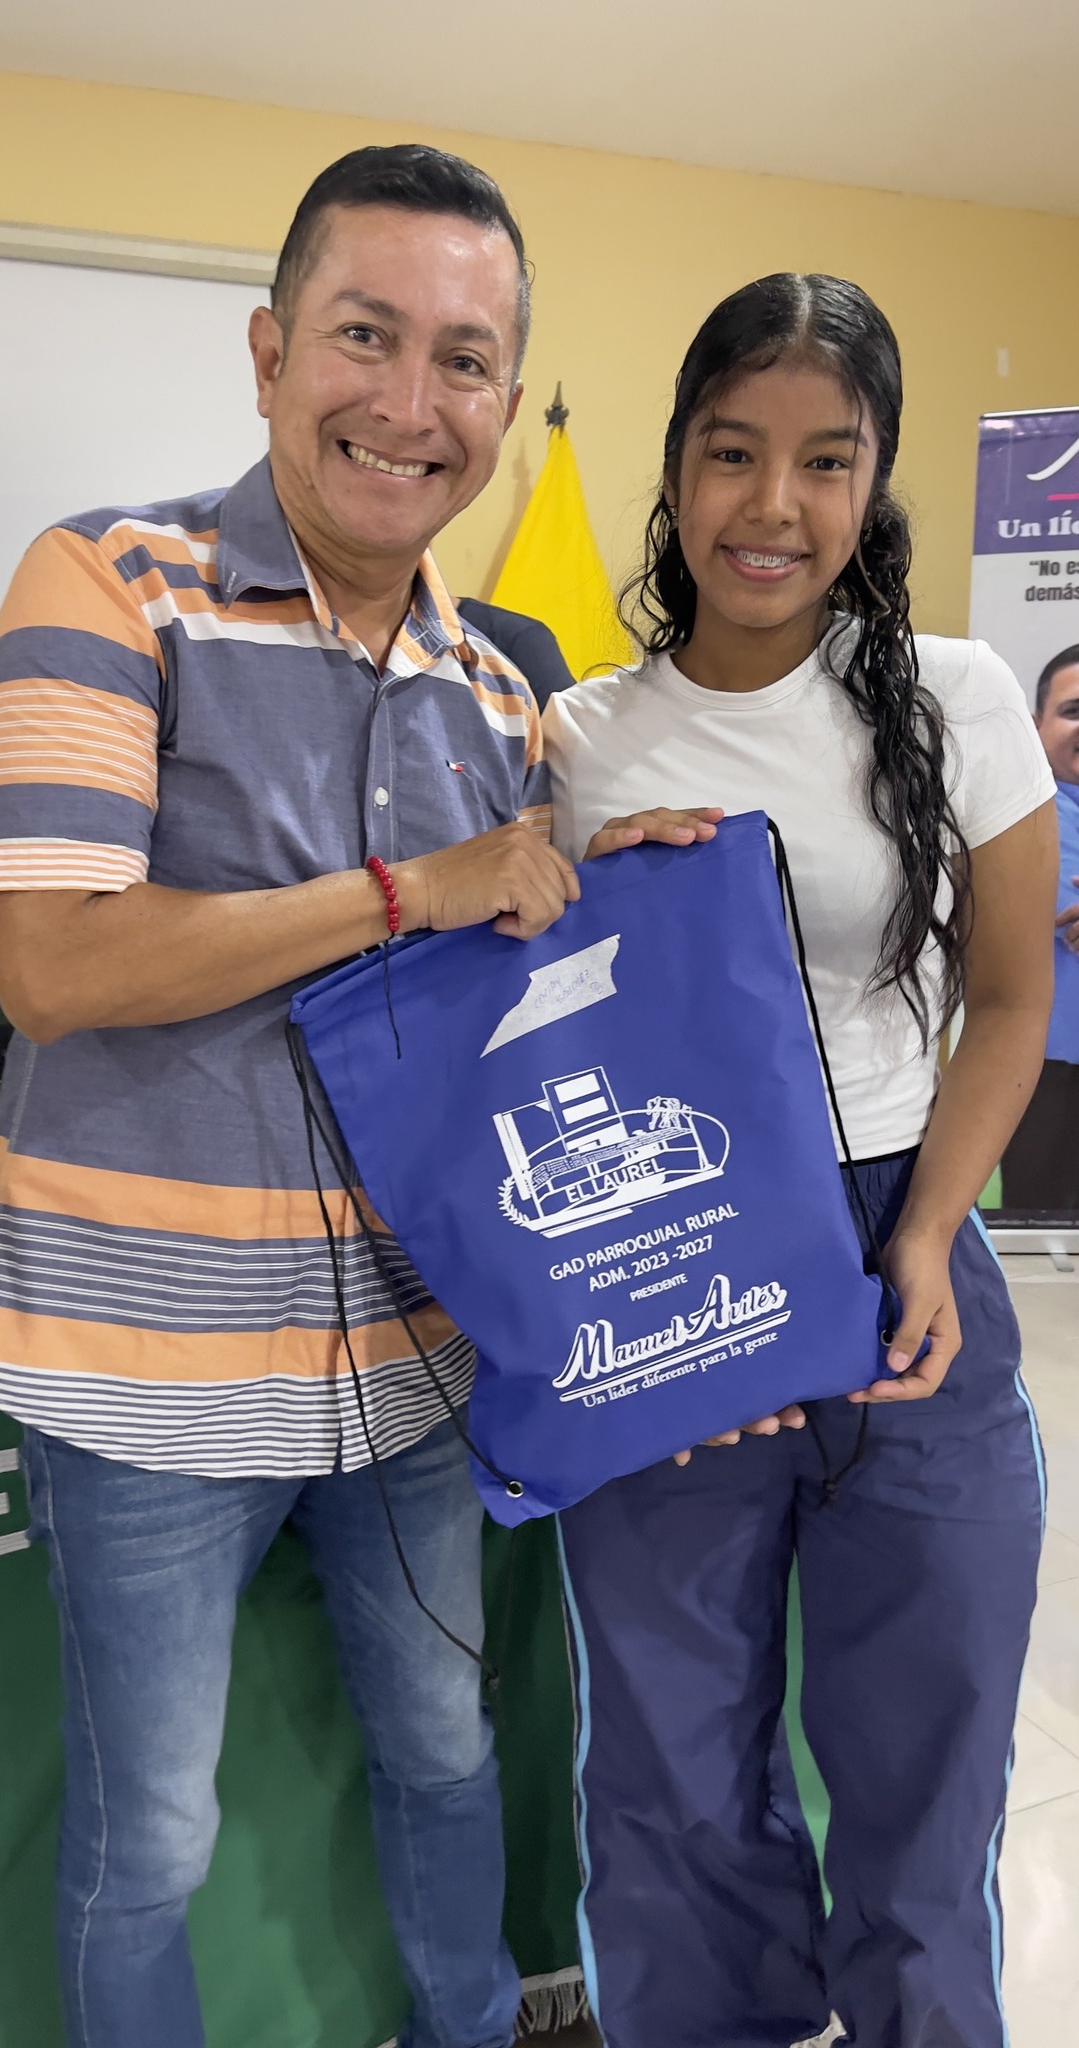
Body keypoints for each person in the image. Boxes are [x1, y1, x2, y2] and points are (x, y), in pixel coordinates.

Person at [0, 144, 581, 2048]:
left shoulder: (503, 693)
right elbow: (56, 964)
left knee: (448, 1751)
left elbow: (525, 1010)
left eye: (465, 358)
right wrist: (404, 890)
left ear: (502, 401)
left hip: (411, 1367)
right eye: (365, 336)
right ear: (270, 349)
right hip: (139, 1374)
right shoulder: (106, 579)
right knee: (152, 1835)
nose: (410, 400)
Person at [543, 273, 1058, 2048]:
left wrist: (924, 1232)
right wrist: (610, 896)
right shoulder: (580, 737)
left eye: (826, 460)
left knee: (929, 1754)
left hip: (907, 1242)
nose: (773, 505)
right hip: (670, 1257)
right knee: (672, 1771)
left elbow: (1010, 997)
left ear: (875, 477)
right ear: (674, 466)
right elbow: (541, 1033)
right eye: (731, 451)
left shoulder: (959, 695)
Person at [1000, 643, 1079, 1211]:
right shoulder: (1004, 815)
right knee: (1041, 1238)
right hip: (1042, 1071)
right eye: (1074, 711)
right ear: (1034, 725)